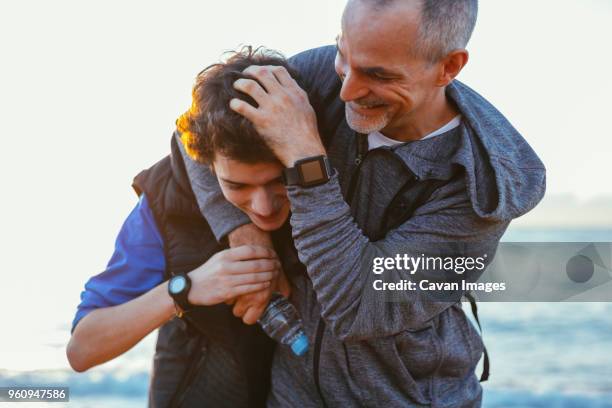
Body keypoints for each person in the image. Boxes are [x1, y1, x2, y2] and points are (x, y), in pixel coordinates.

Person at [180, 0, 547, 406]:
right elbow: (195, 134)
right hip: (291, 391)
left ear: (449, 67)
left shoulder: (482, 187)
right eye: (344, 54)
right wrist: (247, 237)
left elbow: (358, 308)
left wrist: (305, 157)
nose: (347, 90)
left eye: (377, 74)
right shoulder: (320, 74)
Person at [66, 48, 299, 408]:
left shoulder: (327, 174)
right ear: (207, 164)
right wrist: (185, 289)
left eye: (278, 181)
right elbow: (82, 349)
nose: (264, 207)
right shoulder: (165, 203)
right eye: (237, 187)